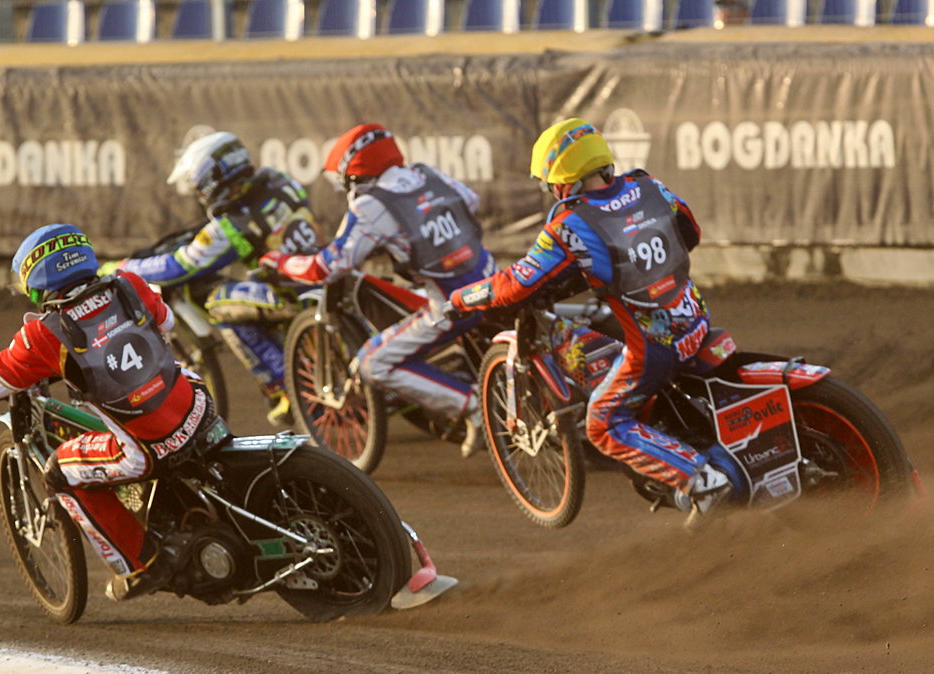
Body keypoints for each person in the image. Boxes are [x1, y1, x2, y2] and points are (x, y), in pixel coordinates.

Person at [0, 224, 228, 601]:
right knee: (179, 377)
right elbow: (166, 323)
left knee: (61, 472)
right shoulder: (128, 284)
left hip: (149, 448)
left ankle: (143, 565)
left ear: (35, 280)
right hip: (198, 405)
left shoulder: (44, 335)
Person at [447, 118, 731, 521]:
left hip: (655, 348)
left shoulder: (570, 223)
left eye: (548, 183)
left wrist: (463, 297)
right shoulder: (649, 186)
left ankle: (702, 481)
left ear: (561, 181)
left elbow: (515, 285)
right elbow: (691, 232)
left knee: (602, 425)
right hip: (696, 319)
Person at [258, 123, 496, 458]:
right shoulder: (428, 174)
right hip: (493, 278)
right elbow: (471, 202)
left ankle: (471, 405)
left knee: (373, 362)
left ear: (353, 174)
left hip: (452, 306)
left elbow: (327, 266)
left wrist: (280, 261)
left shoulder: (372, 206)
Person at [104, 131, 323, 427]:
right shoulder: (279, 181)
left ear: (213, 178)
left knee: (219, 304)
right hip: (319, 275)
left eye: (197, 185)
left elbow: (179, 266)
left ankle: (284, 386)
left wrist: (122, 267)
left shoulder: (228, 226)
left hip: (288, 292)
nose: (197, 192)